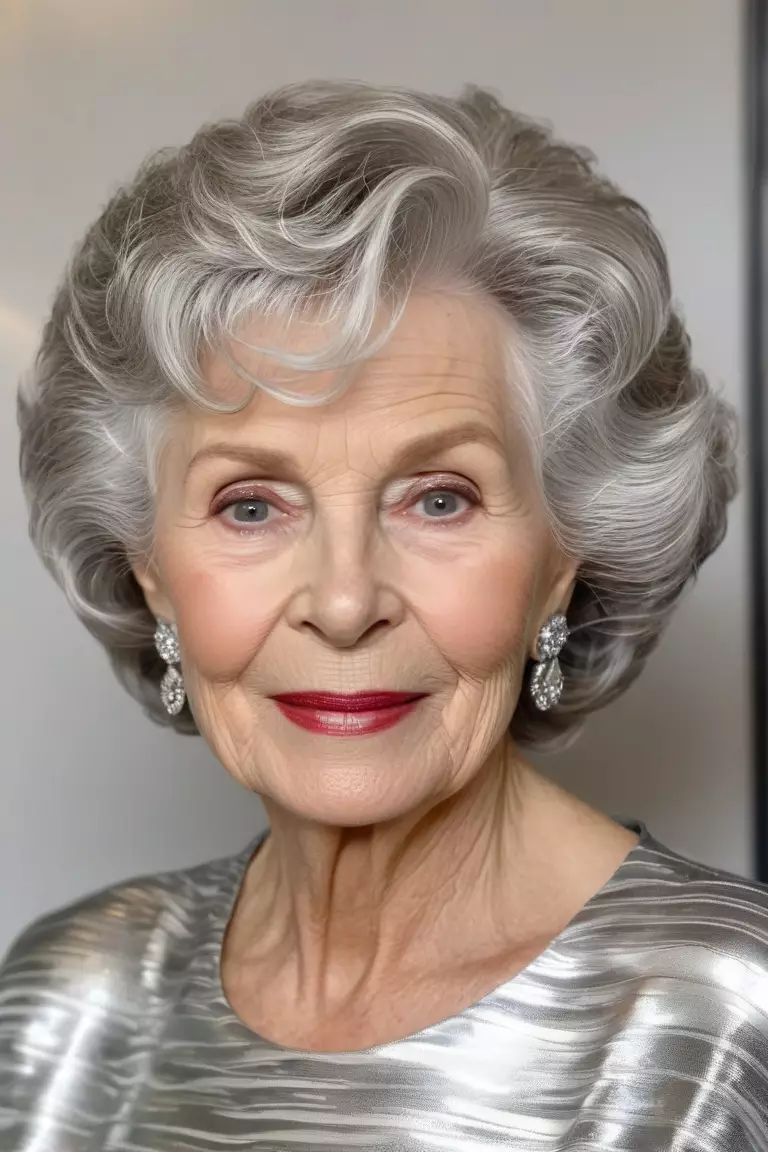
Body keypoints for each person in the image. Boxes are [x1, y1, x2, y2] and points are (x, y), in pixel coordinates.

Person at [1, 78, 766, 1152]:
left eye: (439, 498)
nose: (347, 601)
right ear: (151, 573)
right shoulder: (66, 998)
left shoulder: (729, 1023)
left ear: (561, 560)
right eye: (251, 504)